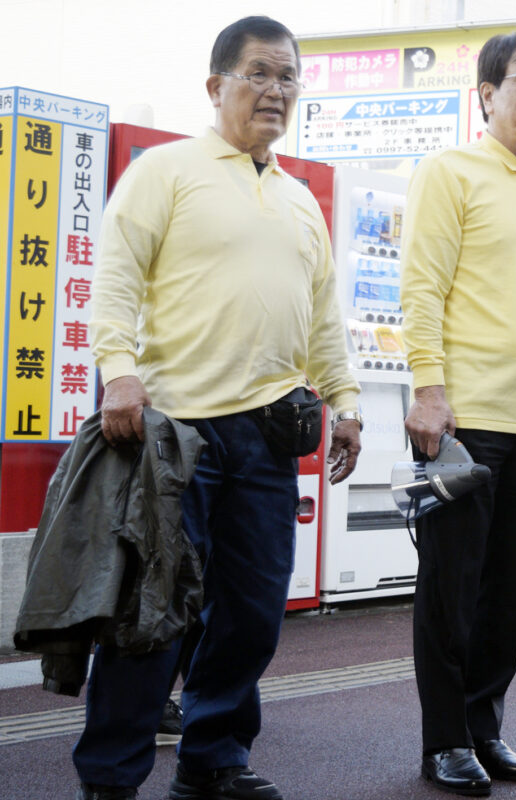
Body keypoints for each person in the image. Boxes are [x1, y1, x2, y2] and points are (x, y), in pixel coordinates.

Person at [79, 16, 362, 800]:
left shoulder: (302, 201)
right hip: (175, 432)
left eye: (288, 78)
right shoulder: (165, 171)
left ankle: (212, 759)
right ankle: (109, 779)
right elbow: (116, 277)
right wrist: (118, 372)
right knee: (152, 617)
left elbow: (323, 315)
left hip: (269, 439)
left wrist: (344, 401)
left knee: (252, 614)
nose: (276, 91)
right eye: (259, 74)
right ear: (217, 86)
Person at [399, 31, 516, 798]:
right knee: (452, 587)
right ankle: (444, 741)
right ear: (486, 95)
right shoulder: (451, 171)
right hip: (468, 417)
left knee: (508, 589)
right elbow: (421, 286)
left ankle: (485, 729)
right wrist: (428, 389)